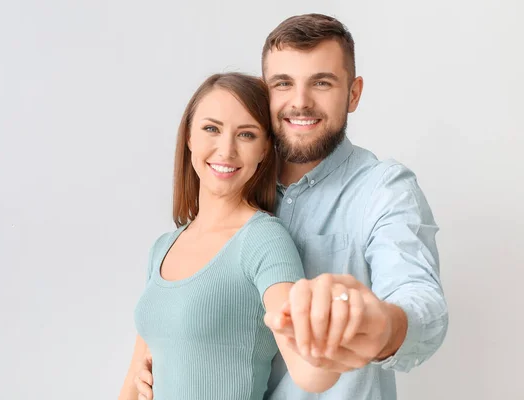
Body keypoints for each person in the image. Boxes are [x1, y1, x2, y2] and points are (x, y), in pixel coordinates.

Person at [133, 13, 449, 400]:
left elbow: (419, 300)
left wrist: (382, 326)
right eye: (283, 84)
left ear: (353, 93)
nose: (300, 102)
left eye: (321, 83)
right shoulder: (226, 195)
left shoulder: (383, 190)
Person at [118, 72, 361, 399]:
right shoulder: (163, 248)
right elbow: (134, 378)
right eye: (211, 129)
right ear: (189, 136)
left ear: (264, 150)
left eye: (246, 135)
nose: (226, 149)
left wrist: (341, 328)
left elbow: (306, 367)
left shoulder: (264, 240)